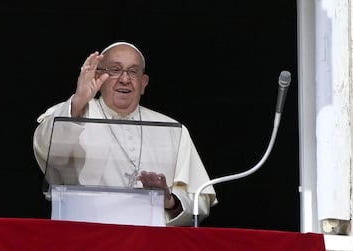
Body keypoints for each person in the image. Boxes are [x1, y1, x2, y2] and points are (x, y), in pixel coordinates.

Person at [32, 41, 217, 226]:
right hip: (86, 235)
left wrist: (169, 200)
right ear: (98, 76)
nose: (125, 79)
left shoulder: (174, 130)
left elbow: (200, 200)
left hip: (149, 243)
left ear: (143, 83)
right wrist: (79, 100)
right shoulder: (72, 113)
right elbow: (47, 150)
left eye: (133, 71)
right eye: (115, 70)